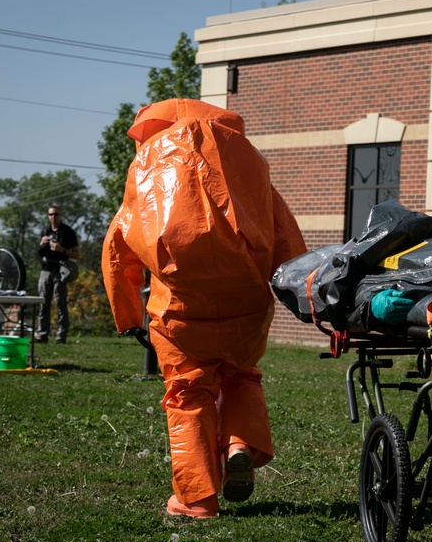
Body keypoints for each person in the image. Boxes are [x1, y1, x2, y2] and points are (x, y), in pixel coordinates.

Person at [102, 98, 306, 519]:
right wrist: (302, 296)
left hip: (180, 308)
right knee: (241, 376)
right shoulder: (249, 163)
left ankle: (196, 498)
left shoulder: (147, 166)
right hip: (247, 307)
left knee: (187, 393)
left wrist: (126, 313)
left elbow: (118, 247)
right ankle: (238, 446)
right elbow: (286, 235)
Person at [36, 205, 79, 344]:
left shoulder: (68, 232)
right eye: (51, 215)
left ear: (61, 215)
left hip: (60, 271)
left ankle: (61, 336)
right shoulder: (45, 231)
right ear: (48, 216)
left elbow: (77, 255)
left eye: (56, 214)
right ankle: (42, 335)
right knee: (43, 304)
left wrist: (62, 250)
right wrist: (42, 244)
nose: (53, 217)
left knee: (61, 304)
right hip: (45, 270)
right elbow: (39, 252)